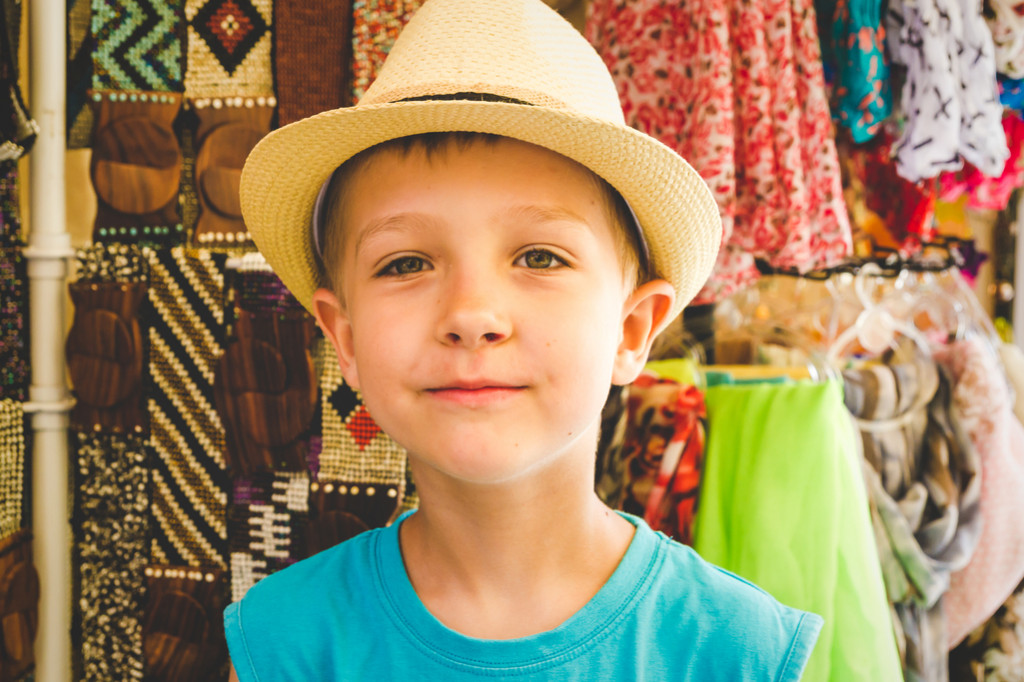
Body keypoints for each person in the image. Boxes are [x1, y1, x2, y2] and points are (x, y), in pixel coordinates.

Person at [225, 0, 824, 679]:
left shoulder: (738, 652)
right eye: (406, 263)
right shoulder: (282, 644)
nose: (471, 314)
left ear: (631, 330)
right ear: (347, 339)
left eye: (540, 257)